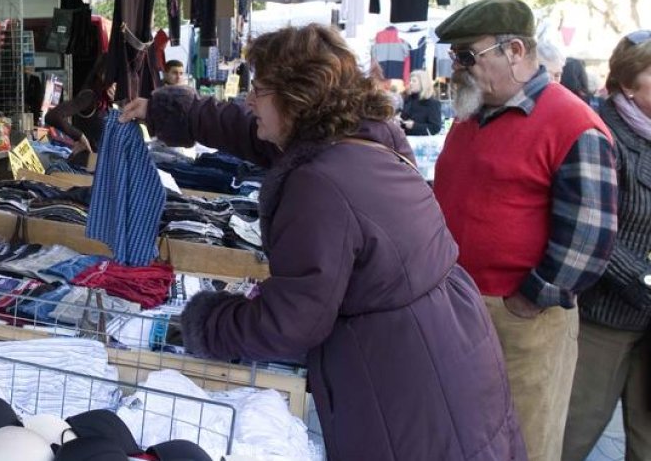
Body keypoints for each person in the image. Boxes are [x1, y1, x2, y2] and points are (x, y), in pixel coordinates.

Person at [120, 23, 524, 460]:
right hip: (447, 347)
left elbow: (290, 321)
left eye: (260, 89)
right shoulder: (360, 134)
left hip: (405, 380)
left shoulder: (318, 184)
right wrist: (175, 114)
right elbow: (248, 127)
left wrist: (206, 322)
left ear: (297, 97)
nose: (249, 99)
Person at [432, 0, 617, 461]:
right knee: (454, 436)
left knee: (522, 443)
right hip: (458, 305)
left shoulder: (574, 125)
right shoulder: (474, 113)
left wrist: (528, 299)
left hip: (520, 321)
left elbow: (589, 239)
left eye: (467, 56)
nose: (458, 68)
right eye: (454, 57)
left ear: (514, 51)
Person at [562, 30, 651, 461]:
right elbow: (592, 226)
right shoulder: (599, 133)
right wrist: (643, 278)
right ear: (630, 84)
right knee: (571, 435)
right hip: (604, 319)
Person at [45, 59, 115, 161]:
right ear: (103, 77)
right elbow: (53, 116)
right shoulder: (89, 97)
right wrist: (80, 136)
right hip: (84, 167)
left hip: (99, 166)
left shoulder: (109, 103)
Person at [400, 69, 443, 135]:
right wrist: (399, 121)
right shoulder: (408, 100)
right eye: (410, 81)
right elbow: (404, 121)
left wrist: (415, 126)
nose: (410, 83)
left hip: (422, 143)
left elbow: (435, 128)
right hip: (406, 139)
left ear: (423, 83)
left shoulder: (433, 103)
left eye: (414, 81)